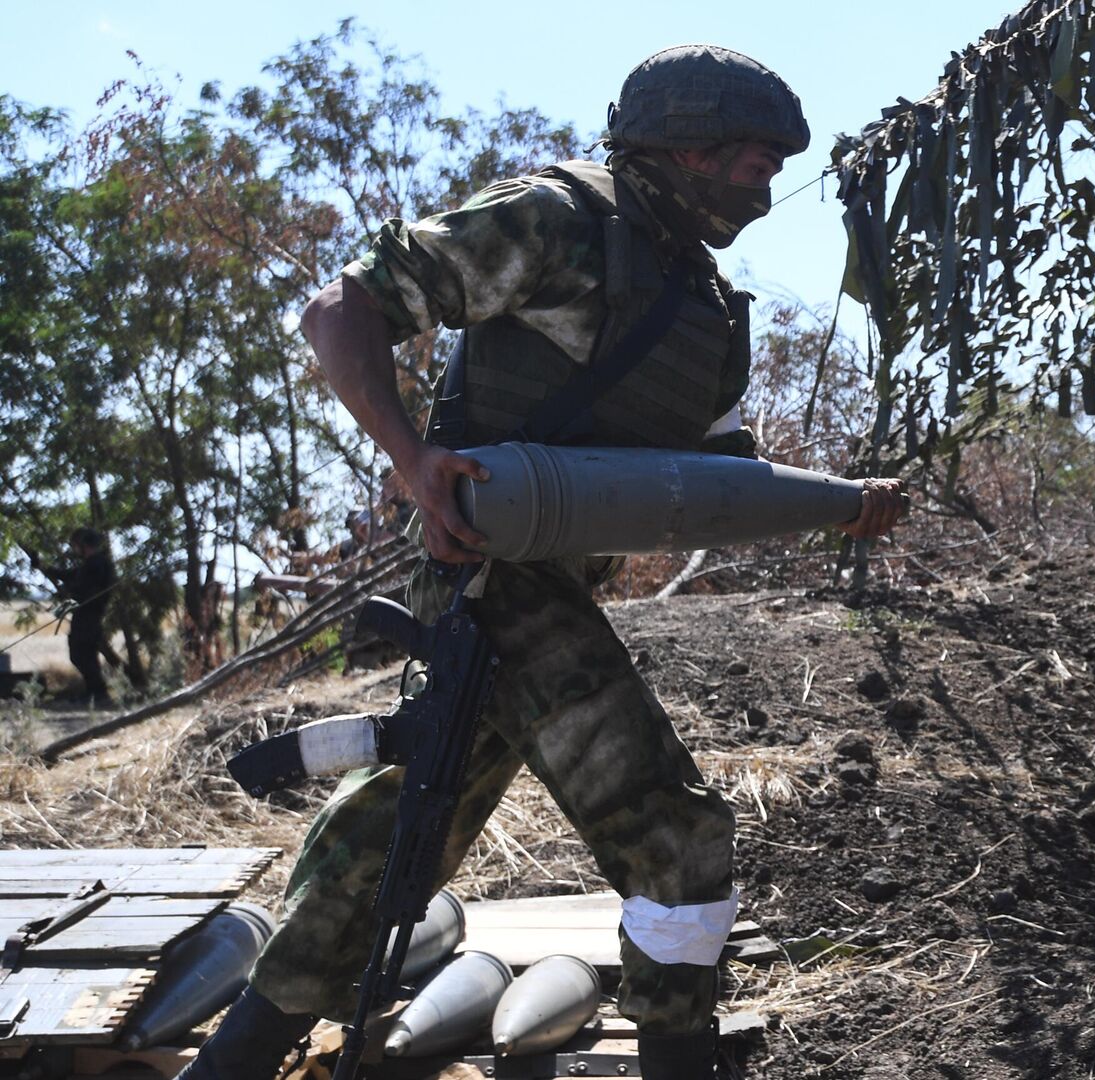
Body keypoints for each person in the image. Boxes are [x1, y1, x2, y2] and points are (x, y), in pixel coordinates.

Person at [178, 46, 906, 1080]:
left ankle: (236, 1059)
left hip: (550, 582)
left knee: (393, 839)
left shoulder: (703, 304)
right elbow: (342, 308)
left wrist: (837, 506)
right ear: (684, 145)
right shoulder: (556, 221)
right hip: (489, 575)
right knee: (678, 839)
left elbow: (711, 477)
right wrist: (410, 458)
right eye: (753, 159)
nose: (769, 183)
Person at [49, 527, 115, 706]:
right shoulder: (91, 563)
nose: (74, 549)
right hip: (85, 615)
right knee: (84, 655)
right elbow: (69, 575)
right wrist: (44, 567)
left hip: (90, 616)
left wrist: (71, 592)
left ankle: (98, 694)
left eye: (76, 545)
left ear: (83, 545)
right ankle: (94, 693)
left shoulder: (97, 564)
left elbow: (87, 588)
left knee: (81, 654)